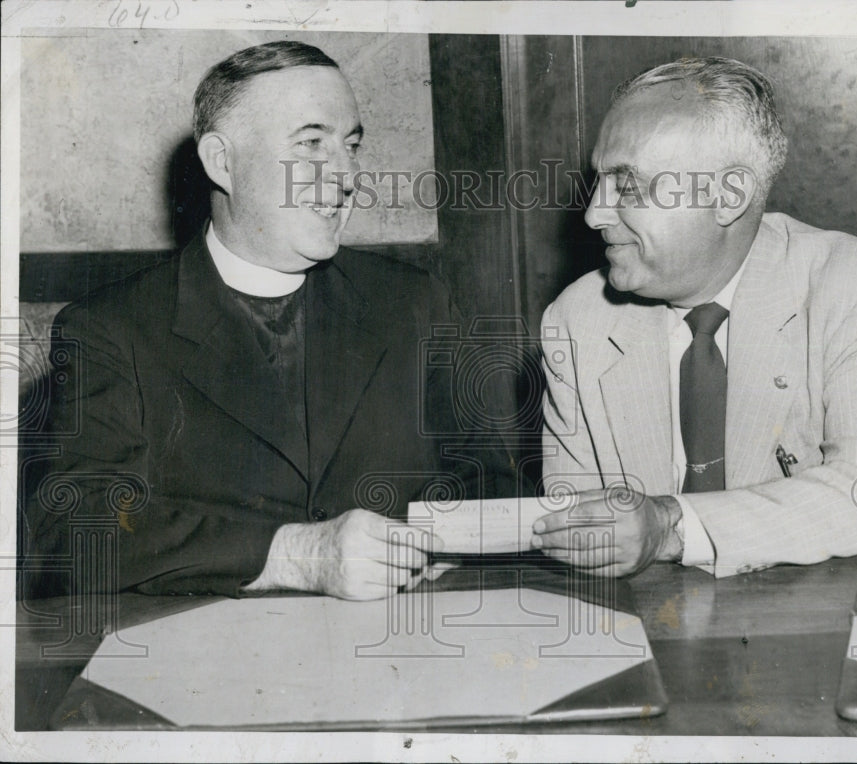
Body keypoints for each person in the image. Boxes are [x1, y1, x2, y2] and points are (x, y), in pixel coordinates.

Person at [25, 41, 508, 600]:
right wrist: (294, 555)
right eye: (311, 144)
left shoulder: (415, 303)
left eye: (351, 147)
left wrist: (449, 541)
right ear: (221, 162)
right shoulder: (109, 330)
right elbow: (71, 535)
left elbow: (489, 486)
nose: (348, 176)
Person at [533, 57, 857, 578]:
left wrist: (669, 525)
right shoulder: (577, 319)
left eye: (627, 185)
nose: (594, 213)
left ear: (728, 196)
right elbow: (581, 531)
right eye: (598, 182)